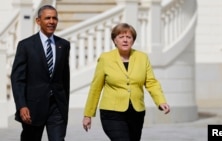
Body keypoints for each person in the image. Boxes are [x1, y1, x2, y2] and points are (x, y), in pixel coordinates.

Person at [82, 23, 170, 141]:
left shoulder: (142, 57)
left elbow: (151, 82)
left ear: (133, 40)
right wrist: (88, 114)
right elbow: (95, 88)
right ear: (115, 40)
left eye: (128, 37)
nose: (125, 40)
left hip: (136, 113)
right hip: (111, 113)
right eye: (121, 37)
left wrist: (161, 101)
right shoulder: (105, 58)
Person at [11, 5, 70, 141]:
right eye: (47, 18)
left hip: (57, 107)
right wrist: (22, 105)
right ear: (38, 21)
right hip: (33, 108)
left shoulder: (64, 45)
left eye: (54, 18)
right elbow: (17, 79)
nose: (51, 21)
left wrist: (64, 104)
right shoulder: (25, 45)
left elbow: (65, 77)